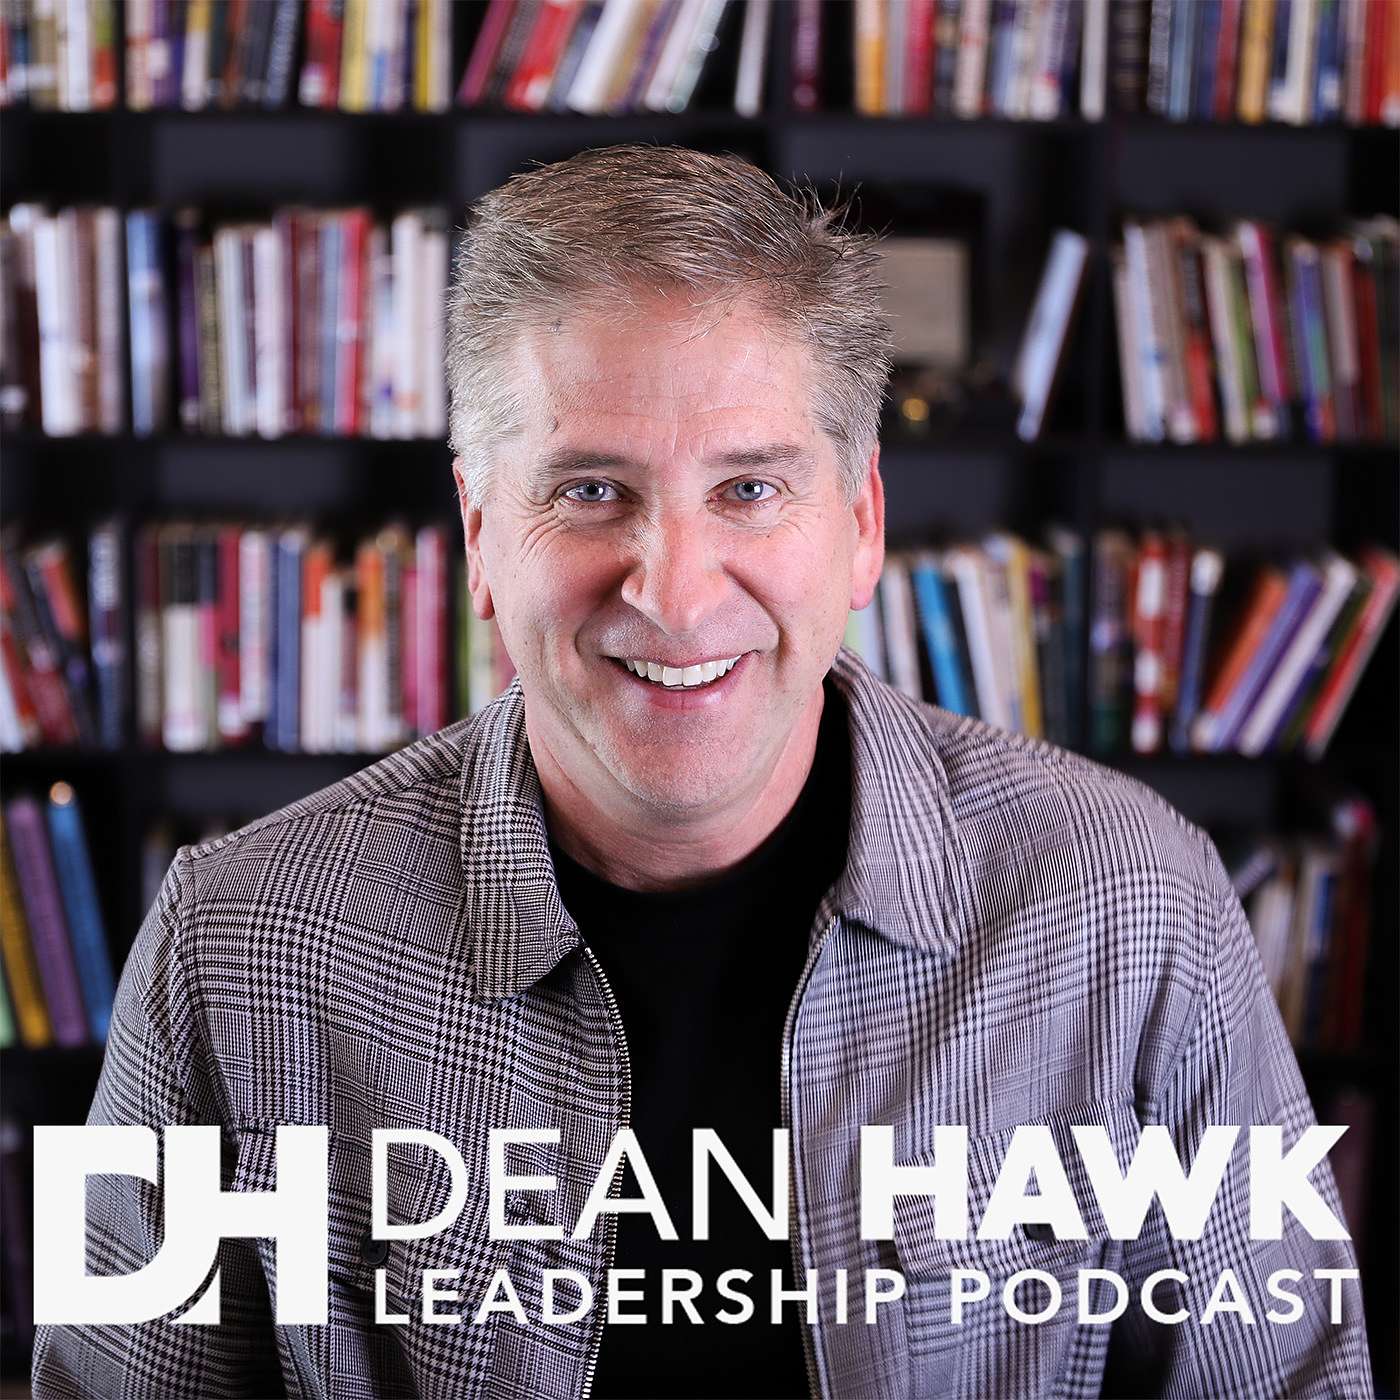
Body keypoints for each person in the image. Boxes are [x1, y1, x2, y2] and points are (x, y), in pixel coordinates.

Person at [33, 146, 1371, 1400]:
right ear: (481, 533)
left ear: (862, 524)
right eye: (592, 491)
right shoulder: (234, 946)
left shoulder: (1134, 907)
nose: (673, 595)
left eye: (749, 489)